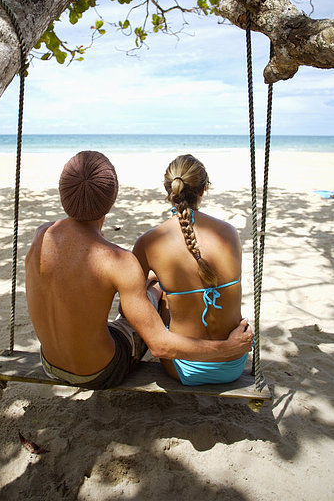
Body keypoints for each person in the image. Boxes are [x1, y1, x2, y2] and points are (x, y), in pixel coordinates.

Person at [26, 150, 253, 390]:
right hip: (101, 372)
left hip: (49, 363)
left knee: (149, 292)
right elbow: (159, 345)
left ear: (63, 193)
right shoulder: (119, 261)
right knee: (149, 301)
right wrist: (229, 349)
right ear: (112, 198)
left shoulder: (41, 235)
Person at [133, 154, 249, 386]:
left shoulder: (149, 242)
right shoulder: (229, 233)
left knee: (151, 292)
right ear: (203, 189)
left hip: (183, 368)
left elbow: (130, 297)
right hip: (234, 362)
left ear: (167, 189)